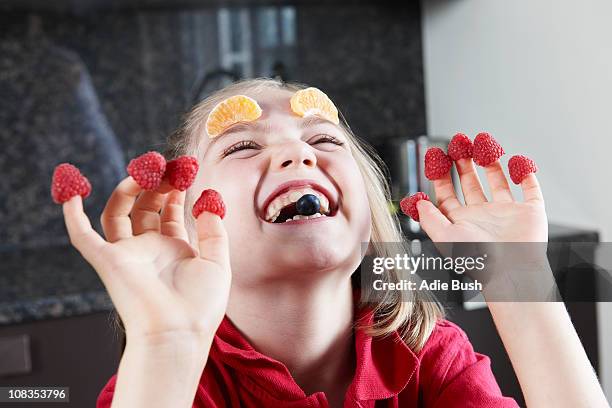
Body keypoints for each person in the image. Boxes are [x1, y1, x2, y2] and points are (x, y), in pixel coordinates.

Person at [60, 78, 608, 407]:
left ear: (368, 211)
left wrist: (519, 281)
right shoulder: (169, 382)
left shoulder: (429, 360)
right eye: (242, 146)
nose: (298, 155)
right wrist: (164, 346)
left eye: (323, 138)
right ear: (181, 214)